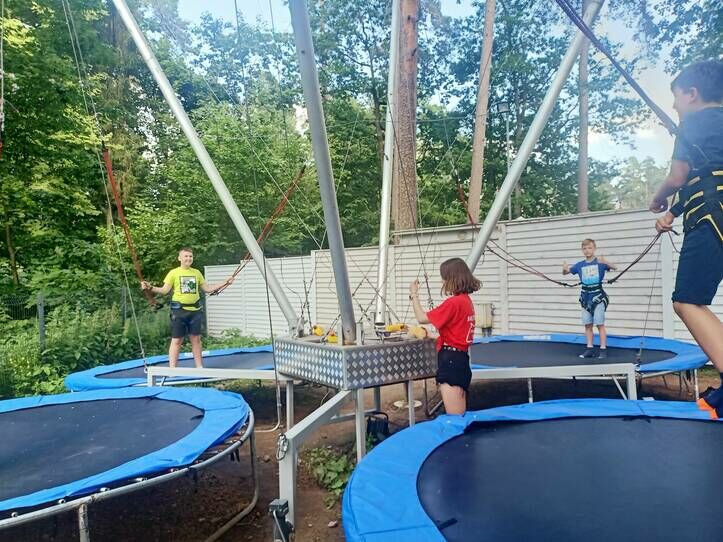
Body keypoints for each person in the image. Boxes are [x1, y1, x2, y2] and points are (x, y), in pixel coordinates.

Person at [648, 59, 723, 418]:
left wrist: (658, 198)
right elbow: (706, 175)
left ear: (692, 94)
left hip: (711, 219)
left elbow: (678, 177)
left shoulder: (693, 123)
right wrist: (673, 213)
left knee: (687, 301)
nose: (675, 107)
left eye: (676, 98)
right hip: (712, 206)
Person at [141, 247, 235, 368]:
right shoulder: (174, 273)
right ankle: (172, 369)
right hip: (179, 311)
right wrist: (150, 287)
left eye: (190, 256)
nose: (188, 258)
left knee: (196, 339)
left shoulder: (196, 273)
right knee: (177, 340)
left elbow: (207, 289)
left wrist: (225, 282)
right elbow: (164, 290)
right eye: (186, 256)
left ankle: (199, 367)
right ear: (179, 258)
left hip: (195, 312)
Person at [409, 257, 480, 415]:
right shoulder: (466, 302)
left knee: (455, 417)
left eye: (443, 278)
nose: (442, 282)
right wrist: (431, 335)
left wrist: (413, 293)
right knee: (460, 413)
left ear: (451, 278)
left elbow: (421, 318)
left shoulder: (453, 303)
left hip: (450, 362)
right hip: (461, 360)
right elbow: (457, 336)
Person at [563, 239, 617, 359]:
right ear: (582, 250)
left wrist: (606, 262)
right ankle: (589, 348)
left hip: (598, 297)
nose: (587, 250)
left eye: (589, 248)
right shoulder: (580, 265)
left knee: (600, 324)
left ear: (594, 248)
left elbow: (615, 267)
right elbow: (566, 273)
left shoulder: (600, 263)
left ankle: (603, 349)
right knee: (587, 324)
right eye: (585, 248)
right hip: (585, 298)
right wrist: (564, 268)